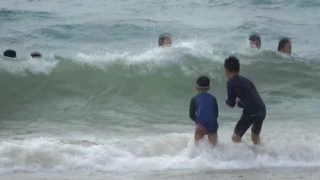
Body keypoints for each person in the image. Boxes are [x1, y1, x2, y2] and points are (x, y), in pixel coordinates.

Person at [224, 56, 266, 145]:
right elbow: (252, 98)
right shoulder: (246, 81)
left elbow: (231, 103)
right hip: (262, 109)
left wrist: (227, 101)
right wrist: (240, 103)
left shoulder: (231, 82)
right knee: (255, 137)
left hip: (251, 110)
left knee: (235, 137)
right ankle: (262, 155)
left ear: (227, 70)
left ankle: (242, 157)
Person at [189, 76, 219, 146]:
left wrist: (198, 122)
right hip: (212, 123)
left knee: (198, 146)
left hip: (201, 123)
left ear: (196, 87)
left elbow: (191, 115)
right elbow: (216, 114)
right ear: (209, 87)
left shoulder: (194, 99)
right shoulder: (213, 98)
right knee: (214, 147)